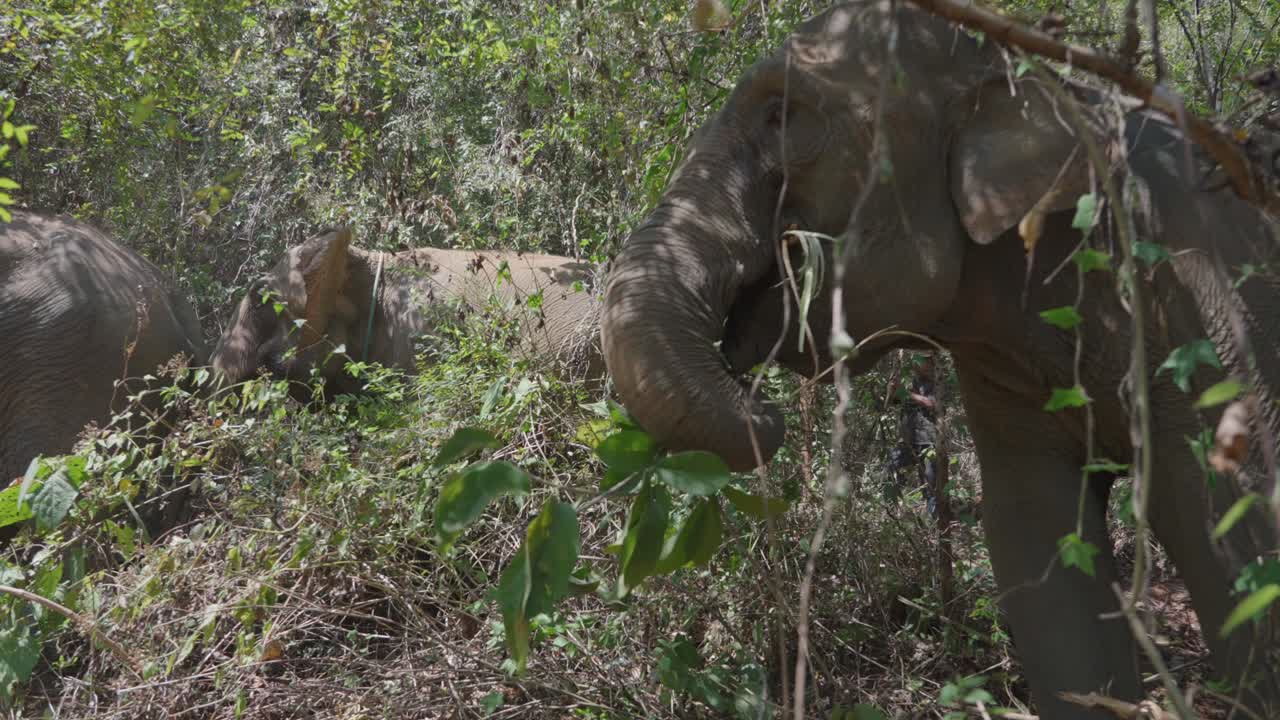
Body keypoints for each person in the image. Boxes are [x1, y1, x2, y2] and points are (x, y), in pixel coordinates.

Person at [887, 353, 939, 516]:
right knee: (892, 468)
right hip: (908, 440)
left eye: (924, 361)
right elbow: (892, 402)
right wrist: (893, 390)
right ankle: (893, 511)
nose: (920, 364)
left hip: (929, 441)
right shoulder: (911, 382)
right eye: (918, 361)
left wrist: (906, 393)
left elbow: (932, 404)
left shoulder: (936, 383)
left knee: (931, 485)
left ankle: (935, 521)